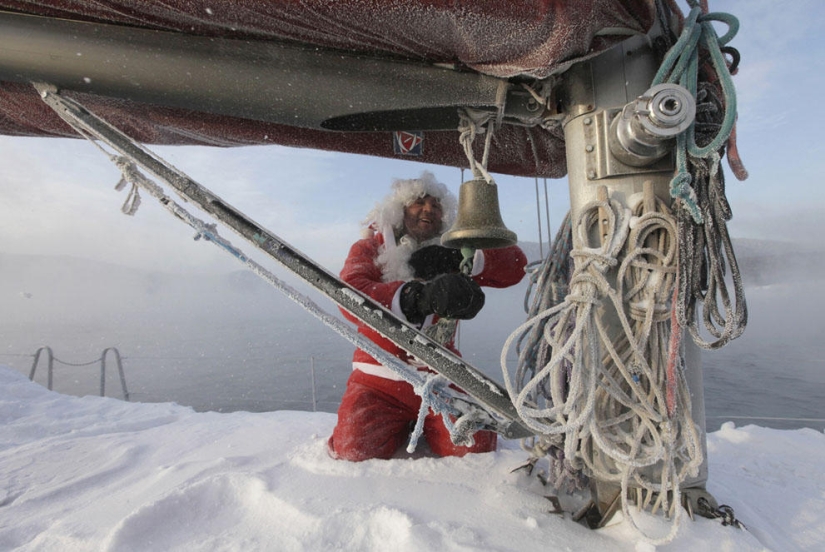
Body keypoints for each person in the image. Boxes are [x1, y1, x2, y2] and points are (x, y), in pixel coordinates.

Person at [328, 171, 527, 461]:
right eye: (418, 203)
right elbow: (349, 296)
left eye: (436, 205)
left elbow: (516, 267)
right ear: (399, 210)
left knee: (476, 450)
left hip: (442, 379)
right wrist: (416, 297)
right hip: (377, 381)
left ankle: (425, 427)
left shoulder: (456, 253)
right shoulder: (369, 249)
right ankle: (402, 425)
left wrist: (461, 259)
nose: (428, 209)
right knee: (353, 449)